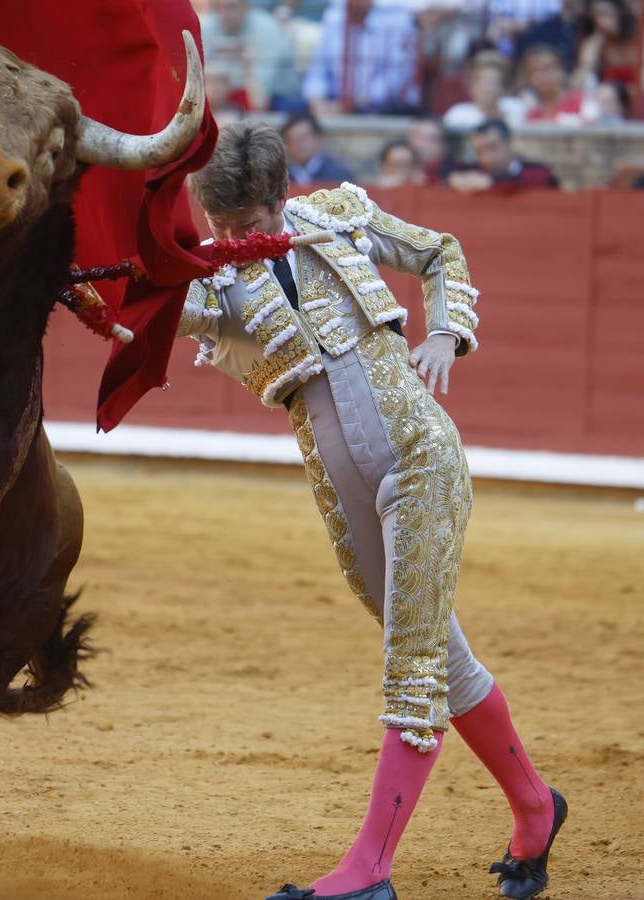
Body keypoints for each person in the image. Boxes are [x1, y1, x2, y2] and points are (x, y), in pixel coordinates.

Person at [177, 120, 567, 900]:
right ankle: (535, 806)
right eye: (215, 225)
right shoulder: (211, 275)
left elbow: (440, 251)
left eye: (245, 225)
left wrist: (448, 333)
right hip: (342, 489)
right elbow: (153, 317)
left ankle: (369, 872)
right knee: (439, 658)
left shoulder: (340, 214)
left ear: (278, 199)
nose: (229, 238)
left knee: (411, 667)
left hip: (420, 457)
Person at [302, 0, 422, 116]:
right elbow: (318, 69)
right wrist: (317, 101)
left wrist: (350, 105)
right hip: (333, 104)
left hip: (381, 106)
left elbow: (395, 79)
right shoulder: (334, 15)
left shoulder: (396, 17)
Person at [575, 0, 644, 118]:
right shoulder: (598, 44)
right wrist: (589, 54)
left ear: (620, 12)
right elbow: (578, 87)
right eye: (597, 16)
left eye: (606, 13)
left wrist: (615, 96)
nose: (603, 21)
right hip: (612, 104)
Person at [201, 0, 302, 111]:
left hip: (278, 98)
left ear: (246, 6)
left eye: (231, 7)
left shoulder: (267, 28)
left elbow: (262, 93)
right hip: (226, 97)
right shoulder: (206, 26)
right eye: (218, 8)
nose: (224, 13)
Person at [446, 119, 559, 194]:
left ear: (509, 143)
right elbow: (442, 172)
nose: (487, 157)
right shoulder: (472, 170)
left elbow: (526, 182)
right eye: (480, 151)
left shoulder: (538, 172)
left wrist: (491, 183)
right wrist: (453, 178)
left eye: (493, 147)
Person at [443, 51, 528, 129]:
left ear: (504, 87)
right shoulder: (457, 116)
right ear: (471, 87)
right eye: (483, 82)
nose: (488, 88)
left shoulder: (517, 109)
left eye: (494, 82)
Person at [282, 112, 355, 184]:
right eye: (291, 140)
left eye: (303, 138)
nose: (298, 145)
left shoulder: (338, 173)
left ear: (318, 138)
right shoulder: (282, 175)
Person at [521, 44, 583, 123]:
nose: (539, 75)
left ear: (560, 70)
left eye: (546, 68)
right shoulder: (530, 114)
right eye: (533, 71)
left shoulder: (581, 103)